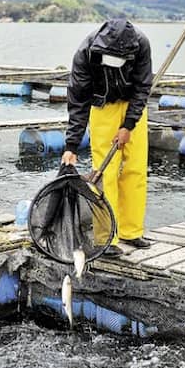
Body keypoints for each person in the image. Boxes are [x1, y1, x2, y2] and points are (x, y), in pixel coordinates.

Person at [61, 17, 153, 255]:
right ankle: (107, 238)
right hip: (103, 108)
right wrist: (71, 145)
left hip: (133, 106)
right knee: (104, 173)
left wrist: (129, 125)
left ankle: (132, 232)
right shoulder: (85, 53)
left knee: (135, 170)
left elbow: (143, 87)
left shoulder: (141, 44)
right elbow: (78, 101)